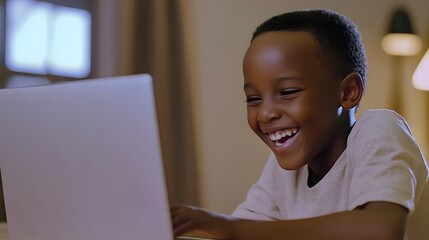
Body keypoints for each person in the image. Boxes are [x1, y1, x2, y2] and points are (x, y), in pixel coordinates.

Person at [171, 9, 429, 240]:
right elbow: (245, 230)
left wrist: (232, 228)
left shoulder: (380, 128)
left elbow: (380, 230)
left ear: (348, 91)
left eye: (288, 91)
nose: (265, 113)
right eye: (253, 98)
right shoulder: (283, 170)